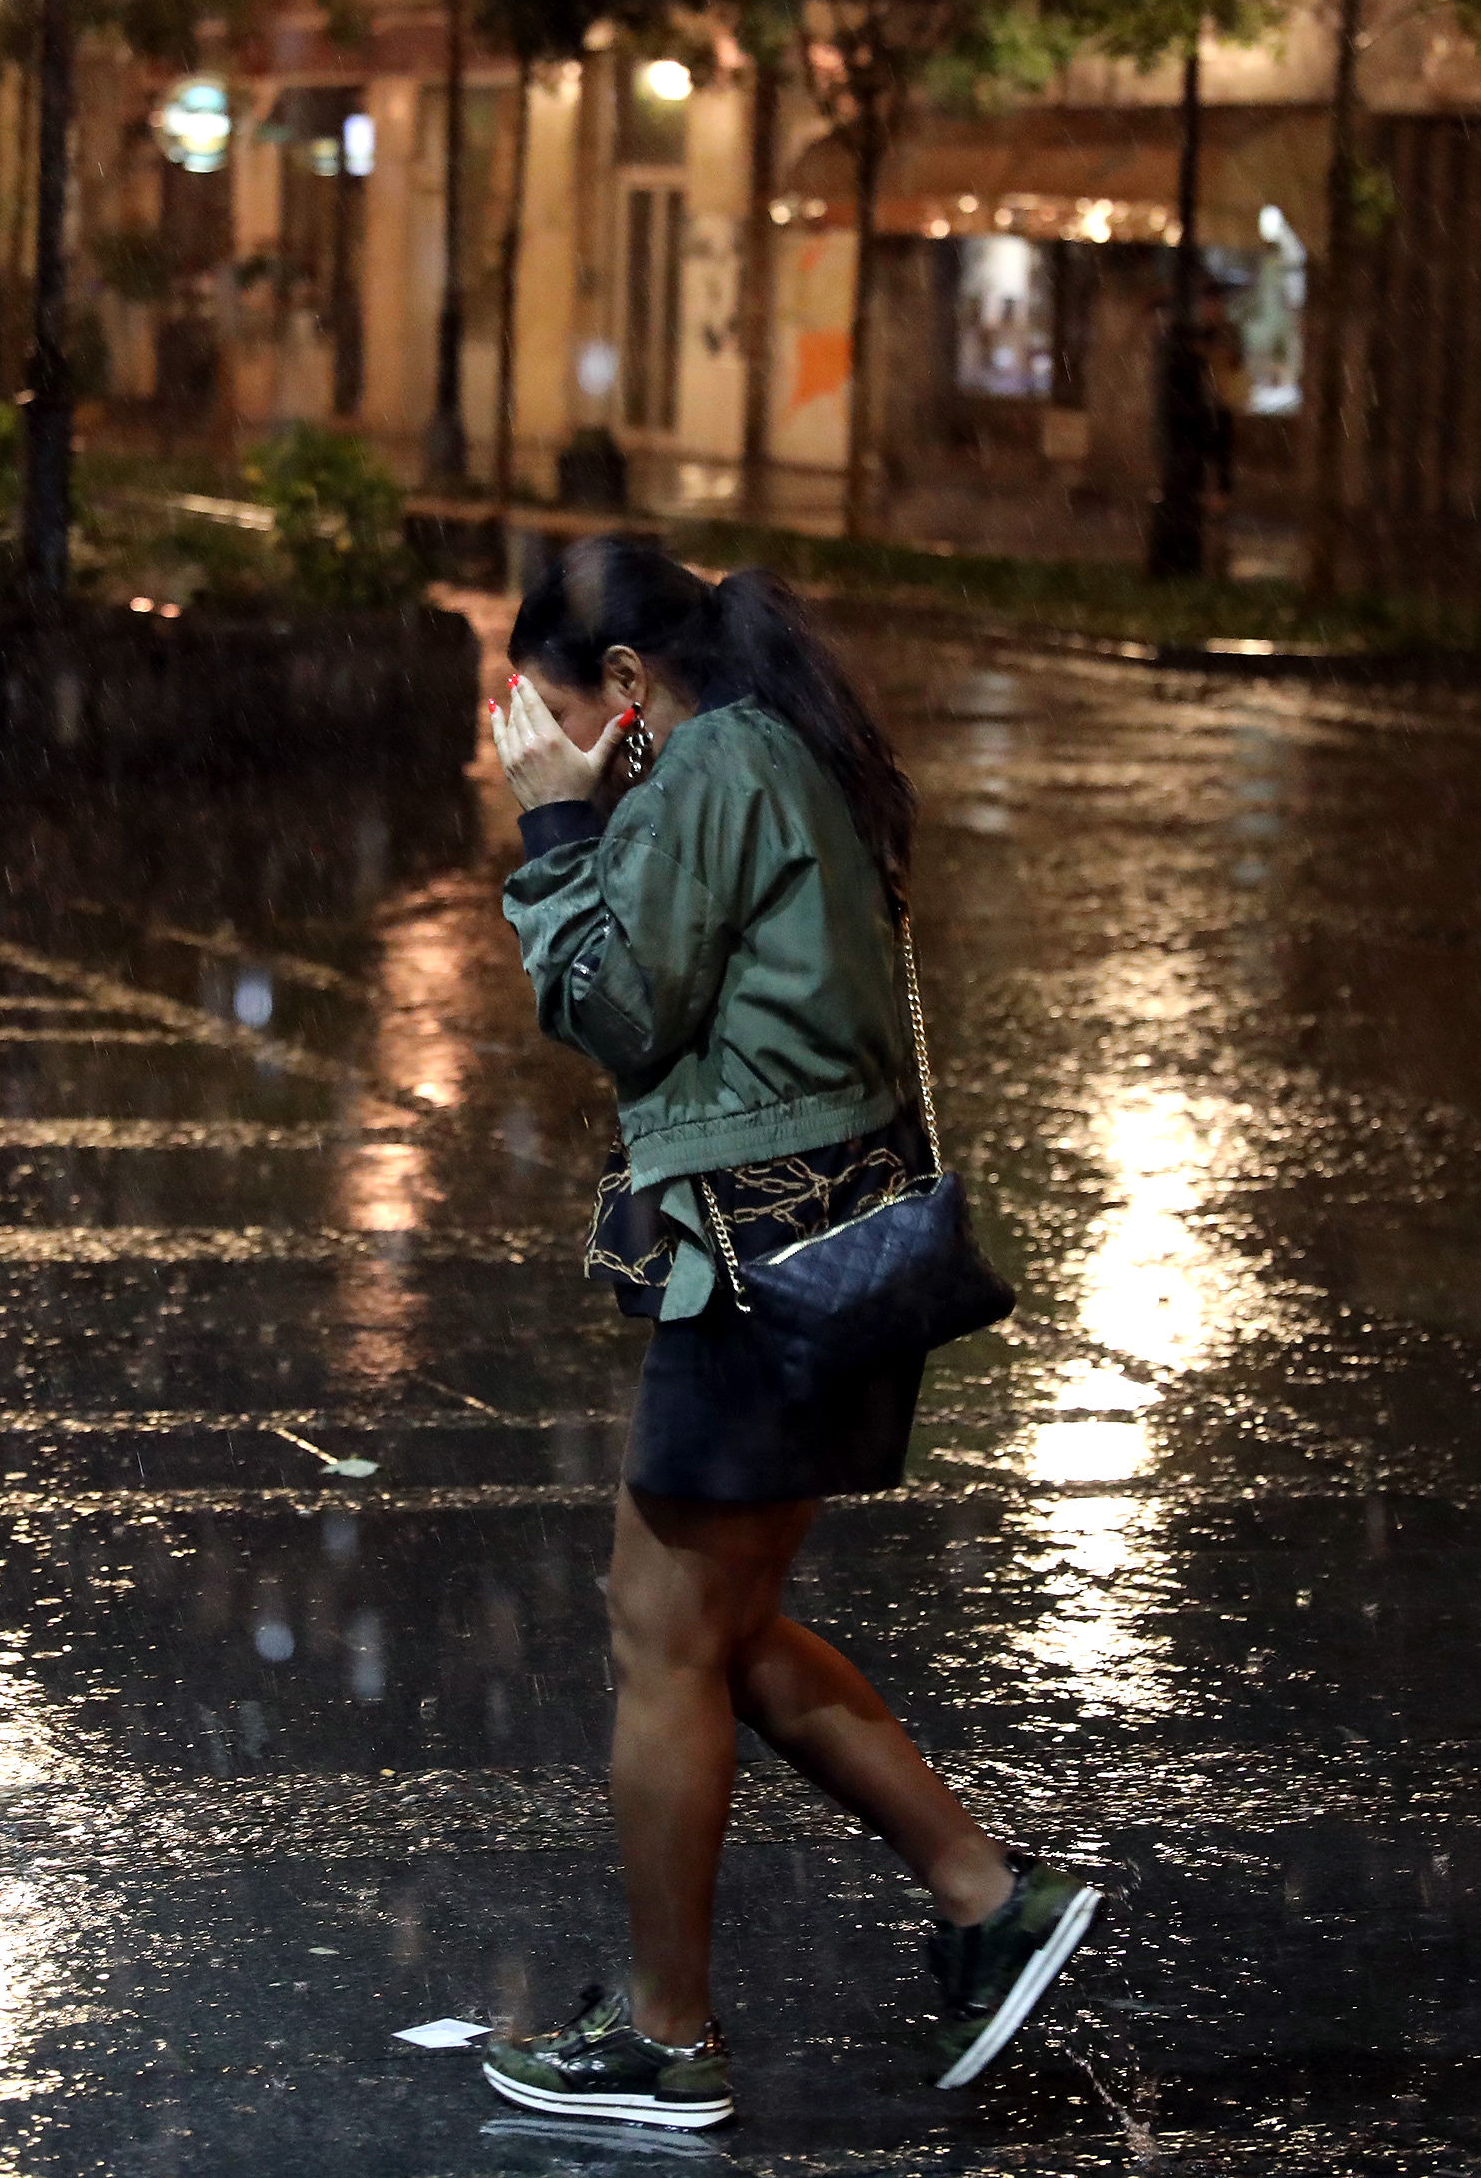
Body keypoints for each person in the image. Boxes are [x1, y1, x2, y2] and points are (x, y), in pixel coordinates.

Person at [472, 534, 1102, 2132]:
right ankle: (984, 1897)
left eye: (556, 717)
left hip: (760, 1262)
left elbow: (618, 1007)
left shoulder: (708, 770)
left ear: (627, 686)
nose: (546, 748)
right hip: (815, 1251)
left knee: (664, 1637)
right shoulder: (759, 753)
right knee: (717, 1632)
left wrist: (552, 825)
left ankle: (672, 2037)